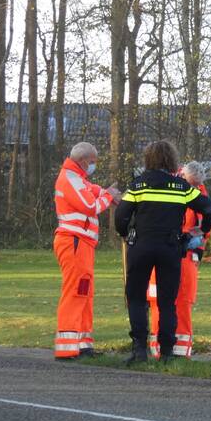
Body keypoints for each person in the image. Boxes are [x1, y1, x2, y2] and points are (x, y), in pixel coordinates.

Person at [115, 141, 211, 364]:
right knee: (167, 301)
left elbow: (121, 215)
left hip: (141, 246)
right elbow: (208, 208)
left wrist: (126, 233)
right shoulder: (182, 187)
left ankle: (139, 350)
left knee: (137, 298)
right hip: (171, 248)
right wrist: (199, 231)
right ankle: (167, 351)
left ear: (148, 159)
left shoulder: (138, 186)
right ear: (171, 160)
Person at [52, 142, 122, 360]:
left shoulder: (79, 179)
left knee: (84, 291)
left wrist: (108, 194)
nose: (93, 166)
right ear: (83, 161)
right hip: (74, 242)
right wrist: (109, 196)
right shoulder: (70, 179)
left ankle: (83, 343)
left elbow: (95, 192)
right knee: (75, 291)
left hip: (82, 244)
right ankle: (67, 347)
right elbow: (91, 206)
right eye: (92, 162)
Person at [146, 161, 211, 359]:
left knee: (183, 301)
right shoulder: (166, 184)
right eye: (190, 183)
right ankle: (158, 347)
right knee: (158, 300)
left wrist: (197, 243)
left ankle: (180, 350)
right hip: (163, 249)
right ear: (181, 175)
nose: (192, 188)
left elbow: (205, 224)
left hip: (183, 253)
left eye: (195, 185)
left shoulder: (199, 194)